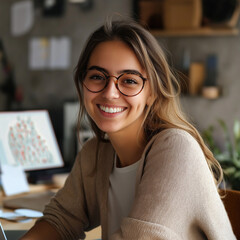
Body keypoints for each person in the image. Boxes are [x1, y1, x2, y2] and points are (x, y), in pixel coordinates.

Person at [20, 19, 236, 240]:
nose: (110, 93)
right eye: (97, 77)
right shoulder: (96, 153)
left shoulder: (176, 148)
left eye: (129, 81)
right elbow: (60, 220)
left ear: (152, 93)